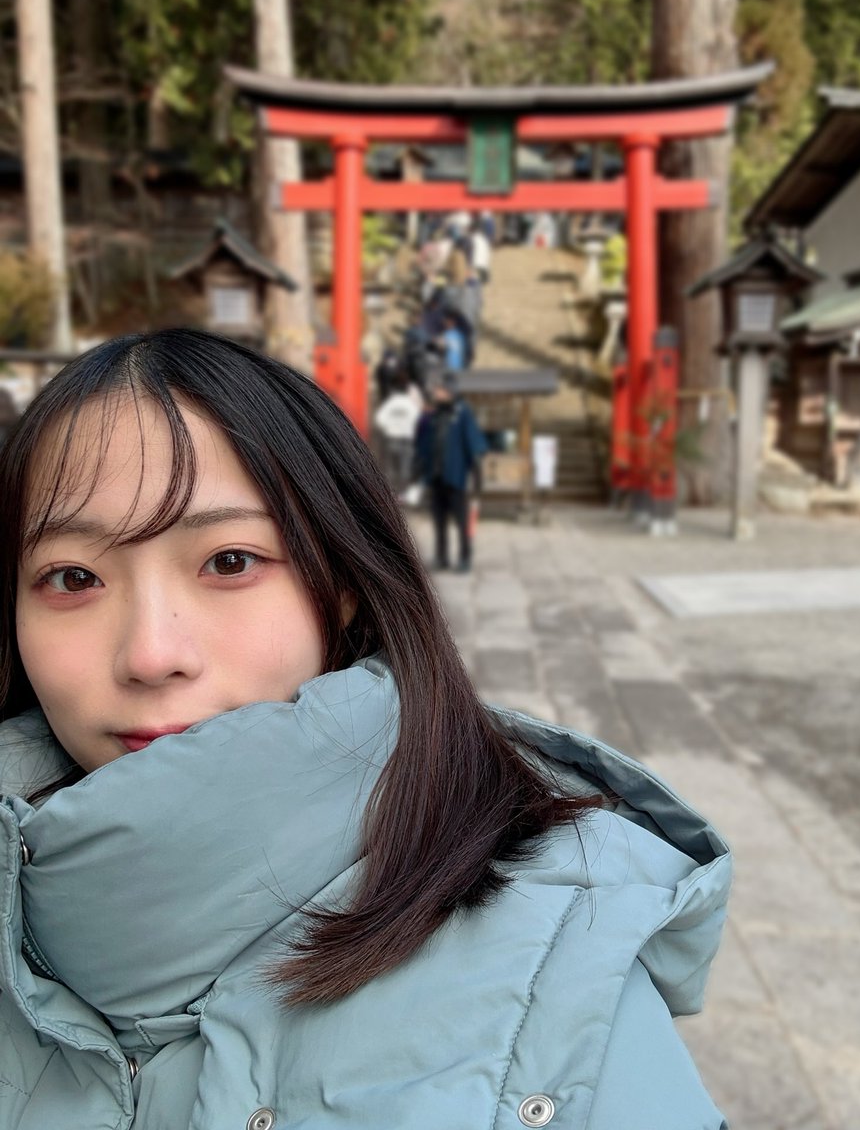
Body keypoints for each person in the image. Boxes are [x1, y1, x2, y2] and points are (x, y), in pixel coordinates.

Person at [0, 327, 730, 1130]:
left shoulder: (562, 1003)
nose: (150, 654)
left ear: (343, 585)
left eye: (230, 562)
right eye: (73, 577)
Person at [415, 377, 487, 573]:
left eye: (440, 390)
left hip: (455, 476)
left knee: (461, 521)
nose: (437, 393)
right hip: (436, 476)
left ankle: (464, 557)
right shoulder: (434, 415)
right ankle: (442, 557)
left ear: (450, 392)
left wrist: (477, 472)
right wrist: (420, 469)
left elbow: (473, 442)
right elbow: (424, 444)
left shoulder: (462, 413)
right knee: (439, 521)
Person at [373, 371, 421, 493]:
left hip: (392, 439)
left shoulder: (391, 403)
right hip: (406, 440)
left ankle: (392, 495)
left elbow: (379, 418)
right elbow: (417, 418)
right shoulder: (410, 403)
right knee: (405, 470)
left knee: (391, 470)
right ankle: (403, 494)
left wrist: (390, 427)